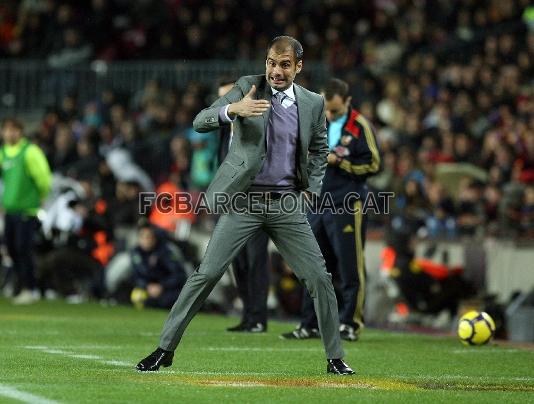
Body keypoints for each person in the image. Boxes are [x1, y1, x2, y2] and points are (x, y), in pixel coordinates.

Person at [136, 36, 354, 375]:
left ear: (299, 66)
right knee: (206, 274)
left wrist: (310, 190)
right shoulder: (246, 87)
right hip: (244, 203)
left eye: (284, 64)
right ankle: (165, 350)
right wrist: (230, 111)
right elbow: (200, 120)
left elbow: (319, 149)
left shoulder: (313, 103)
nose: (276, 71)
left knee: (319, 278)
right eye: (271, 62)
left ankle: (335, 358)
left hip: (286, 207)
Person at [281, 78, 380, 342]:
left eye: (335, 110)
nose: (329, 114)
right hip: (316, 204)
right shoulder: (314, 122)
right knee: (312, 266)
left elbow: (373, 165)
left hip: (347, 204)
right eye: (326, 108)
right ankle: (309, 324)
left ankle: (350, 323)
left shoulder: (360, 127)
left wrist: (341, 162)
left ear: (348, 102)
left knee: (350, 267)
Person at [217, 77, 270, 333]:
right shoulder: (223, 130)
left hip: (256, 201)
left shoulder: (257, 128)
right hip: (232, 203)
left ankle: (259, 317)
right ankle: (248, 314)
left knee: (256, 258)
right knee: (238, 260)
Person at [0, 117, 52, 304]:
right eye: (6, 130)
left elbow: (43, 176)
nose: (9, 133)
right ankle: (20, 286)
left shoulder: (29, 152)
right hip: (10, 210)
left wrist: (41, 196)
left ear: (20, 132)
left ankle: (30, 288)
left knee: (23, 249)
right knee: (12, 250)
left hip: (27, 210)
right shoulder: (3, 153)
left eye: (13, 130)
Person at [130, 224, 187, 309]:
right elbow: (135, 275)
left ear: (155, 238)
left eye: (149, 237)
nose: (146, 240)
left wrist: (162, 286)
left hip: (167, 289)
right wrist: (147, 286)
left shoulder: (165, 252)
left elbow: (179, 275)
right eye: (143, 237)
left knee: (172, 299)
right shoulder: (136, 252)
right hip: (147, 288)